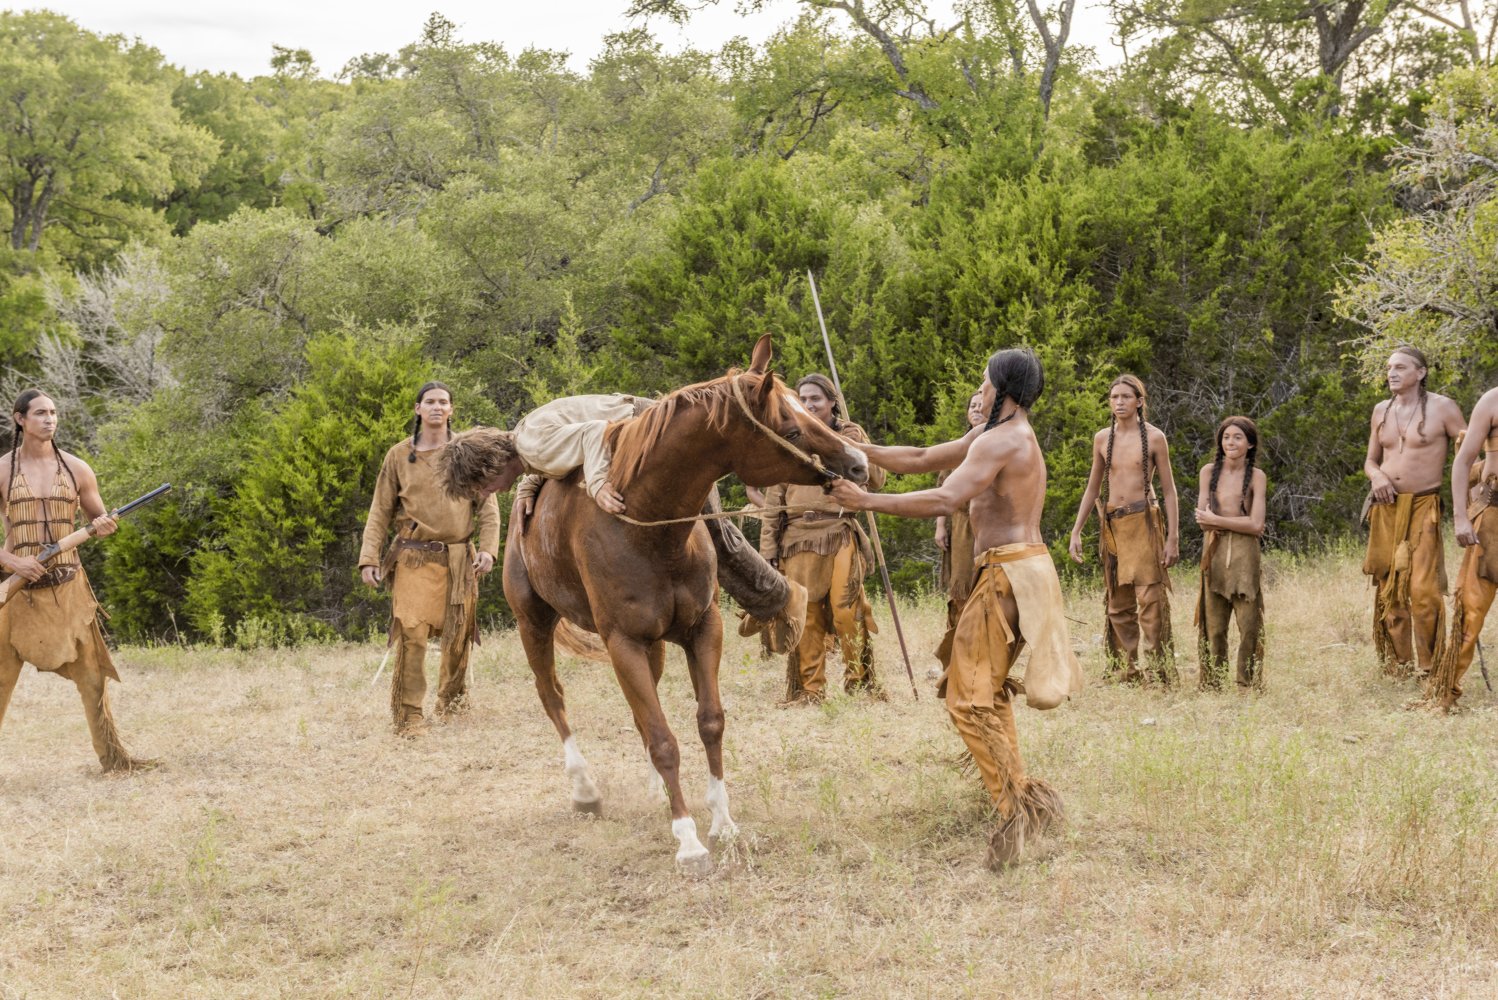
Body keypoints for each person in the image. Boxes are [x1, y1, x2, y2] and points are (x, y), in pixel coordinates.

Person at [829, 348, 1082, 869]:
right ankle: (1020, 797)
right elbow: (923, 457)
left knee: (967, 699)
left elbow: (946, 499)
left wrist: (866, 501)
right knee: (984, 692)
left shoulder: (1002, 440)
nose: (981, 390)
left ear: (1002, 389)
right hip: (1020, 568)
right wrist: (860, 448)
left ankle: (1018, 811)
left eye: (985, 383)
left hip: (1008, 573)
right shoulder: (994, 435)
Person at [436, 394, 807, 648]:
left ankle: (778, 598)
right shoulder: (527, 442)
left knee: (709, 526)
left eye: (483, 486)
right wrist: (528, 484)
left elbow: (592, 433)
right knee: (703, 530)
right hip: (641, 428)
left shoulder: (532, 446)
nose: (489, 494)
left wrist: (597, 486)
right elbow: (560, 453)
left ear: (490, 466)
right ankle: (761, 600)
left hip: (650, 429)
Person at [0, 389, 154, 771]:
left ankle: (114, 760)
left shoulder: (77, 468)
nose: (49, 419)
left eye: (53, 412)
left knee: (93, 679)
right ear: (20, 419)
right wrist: (12, 563)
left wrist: (104, 526)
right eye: (39, 413)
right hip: (18, 594)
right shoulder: (2, 469)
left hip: (70, 587)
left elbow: (101, 521)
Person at [360, 382, 500, 734]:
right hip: (414, 557)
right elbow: (380, 509)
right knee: (412, 632)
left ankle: (451, 702)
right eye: (430, 402)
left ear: (451, 410)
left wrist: (488, 550)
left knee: (457, 635)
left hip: (458, 558)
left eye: (444, 402)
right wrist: (369, 558)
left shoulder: (466, 453)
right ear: (417, 409)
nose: (437, 407)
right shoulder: (398, 456)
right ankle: (410, 715)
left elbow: (488, 507)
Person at [758, 374, 885, 704]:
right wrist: (769, 551)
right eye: (803, 398)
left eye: (815, 397)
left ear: (832, 401)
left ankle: (859, 682)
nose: (809, 403)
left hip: (839, 531)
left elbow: (878, 480)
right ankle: (811, 690)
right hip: (796, 539)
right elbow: (774, 503)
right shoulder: (789, 439)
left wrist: (854, 446)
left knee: (846, 611)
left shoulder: (848, 434)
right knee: (807, 616)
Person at [1067, 375, 1181, 686]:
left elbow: (1169, 490)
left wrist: (1172, 537)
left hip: (1143, 522)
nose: (1119, 402)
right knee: (1118, 603)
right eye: (1114, 397)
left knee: (1151, 602)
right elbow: (1092, 489)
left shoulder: (1155, 438)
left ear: (1139, 401)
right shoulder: (1103, 438)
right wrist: (1076, 531)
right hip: (1112, 525)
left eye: (1126, 397)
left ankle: (1160, 673)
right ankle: (1125, 671)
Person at [1361, 346, 1465, 680]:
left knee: (1423, 589)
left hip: (1424, 505)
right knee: (1390, 589)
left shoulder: (1443, 407)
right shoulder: (1381, 410)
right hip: (1387, 508)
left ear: (1420, 372)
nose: (1392, 373)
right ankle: (1398, 665)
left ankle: (1430, 667)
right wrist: (1377, 477)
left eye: (1400, 367)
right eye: (1389, 367)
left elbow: (1467, 453)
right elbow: (1370, 460)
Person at [1423, 385, 1498, 711]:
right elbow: (1463, 461)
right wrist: (1460, 518)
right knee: (1471, 610)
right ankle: (1444, 693)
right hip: (1493, 518)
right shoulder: (1492, 400)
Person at [1193, 416, 1268, 691]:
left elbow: (1257, 525)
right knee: (1214, 624)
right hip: (1213, 550)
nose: (1231, 442)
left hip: (1244, 554)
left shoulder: (1257, 476)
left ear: (1249, 443)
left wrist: (1219, 521)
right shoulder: (1208, 471)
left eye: (1237, 437)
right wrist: (1230, 522)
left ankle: (1246, 682)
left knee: (1249, 623)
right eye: (1226, 437)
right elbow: (1202, 519)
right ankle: (1213, 682)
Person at [933, 391, 987, 677]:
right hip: (961, 523)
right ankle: (957, 656)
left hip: (988, 522)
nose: (977, 409)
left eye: (982, 404)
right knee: (961, 590)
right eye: (972, 405)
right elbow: (943, 488)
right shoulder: (958, 447)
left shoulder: (997, 442)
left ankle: (983, 654)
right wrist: (941, 526)